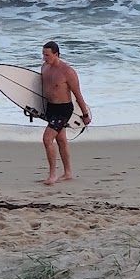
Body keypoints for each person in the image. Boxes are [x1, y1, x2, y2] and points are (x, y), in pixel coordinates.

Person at [40, 41, 91, 185]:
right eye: (43, 55)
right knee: (61, 140)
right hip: (50, 108)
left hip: (64, 109)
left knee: (47, 139)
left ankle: (52, 175)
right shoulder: (44, 67)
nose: (44, 58)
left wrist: (85, 115)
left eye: (47, 55)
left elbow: (78, 94)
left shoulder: (67, 71)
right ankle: (68, 173)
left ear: (56, 54)